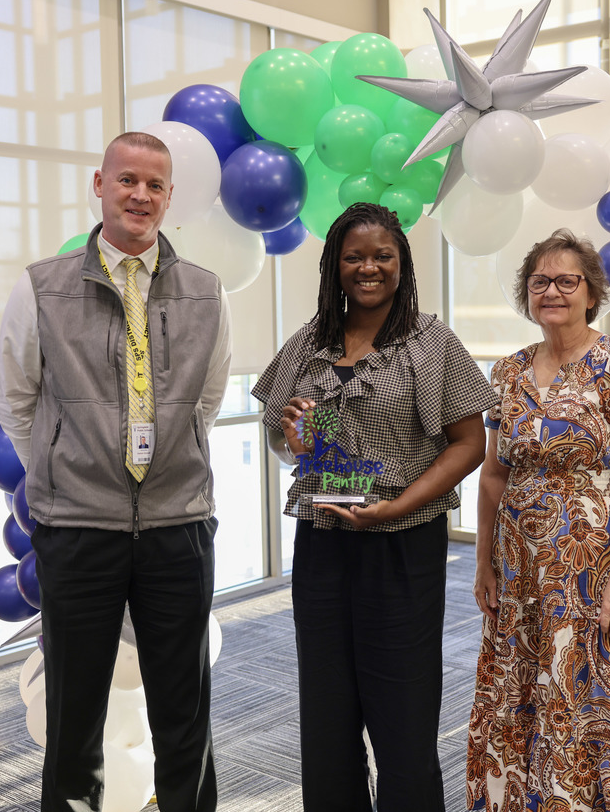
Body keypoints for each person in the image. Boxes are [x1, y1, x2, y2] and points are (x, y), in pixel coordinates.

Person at [0, 131, 232, 812]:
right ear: (100, 186)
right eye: (127, 179)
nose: (140, 194)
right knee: (75, 718)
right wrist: (66, 462)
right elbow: (17, 402)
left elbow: (206, 402)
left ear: (168, 197)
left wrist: (169, 454)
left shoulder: (205, 291)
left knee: (184, 714)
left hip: (178, 524)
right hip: (78, 528)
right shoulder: (41, 287)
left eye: (155, 184)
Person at [252, 202, 497, 812]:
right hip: (322, 542)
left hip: (402, 545)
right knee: (328, 711)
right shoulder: (308, 342)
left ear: (402, 263)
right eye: (354, 256)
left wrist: (395, 509)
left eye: (382, 255)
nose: (369, 267)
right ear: (335, 265)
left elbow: (470, 443)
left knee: (403, 713)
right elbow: (281, 439)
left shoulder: (431, 343)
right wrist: (296, 440)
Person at [466, 229, 610, 811]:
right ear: (526, 296)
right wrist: (483, 563)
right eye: (539, 283)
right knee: (522, 693)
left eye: (566, 281)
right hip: (521, 571)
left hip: (594, 570)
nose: (551, 292)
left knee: (591, 699)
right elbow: (493, 476)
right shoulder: (506, 372)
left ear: (591, 293)